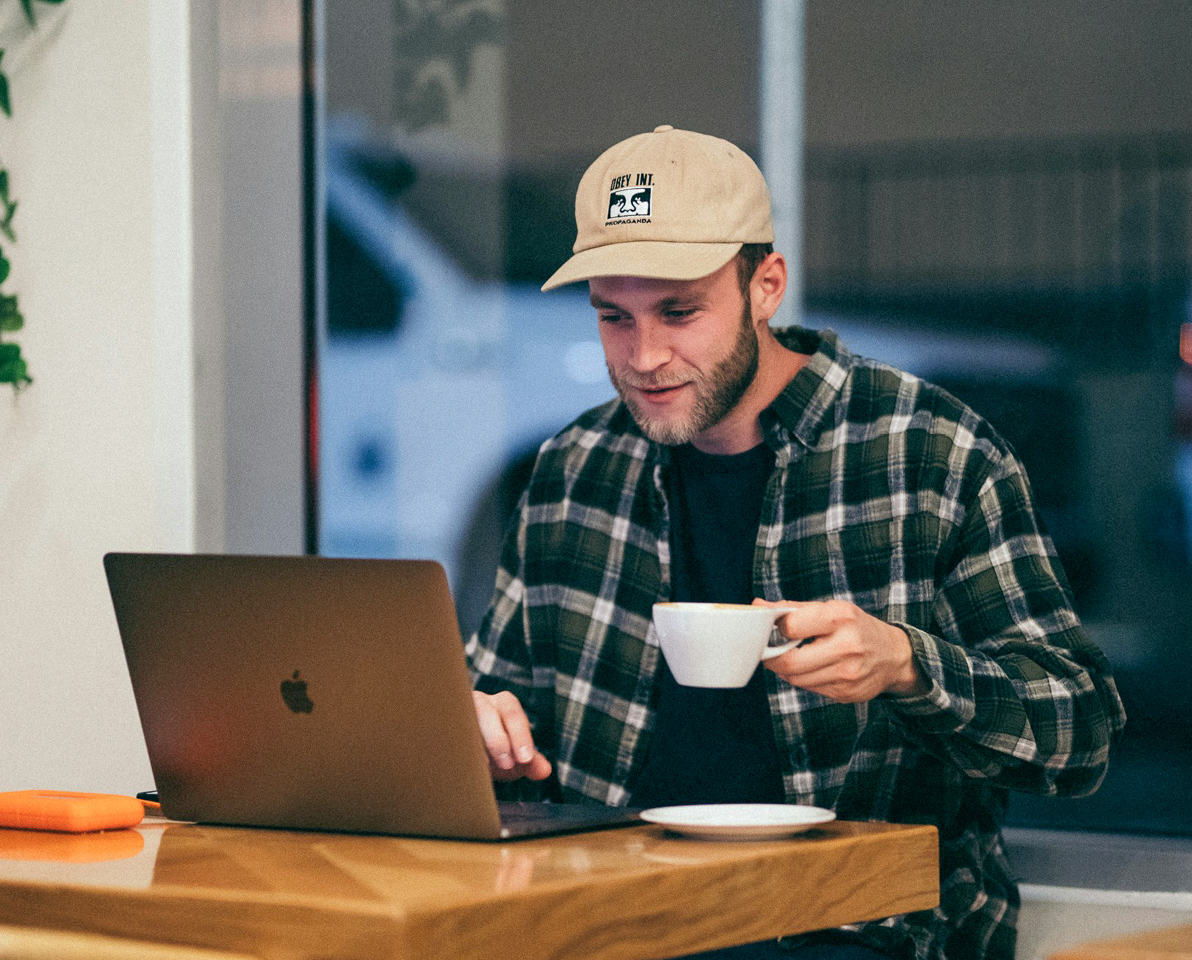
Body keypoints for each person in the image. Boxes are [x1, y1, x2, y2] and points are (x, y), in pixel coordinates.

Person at [465, 125, 1126, 960]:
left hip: (855, 930)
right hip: (611, 917)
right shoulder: (574, 467)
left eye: (680, 311)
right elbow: (491, 698)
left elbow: (1082, 733)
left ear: (765, 285)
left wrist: (907, 665)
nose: (646, 357)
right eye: (613, 317)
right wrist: (475, 727)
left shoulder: (929, 453)